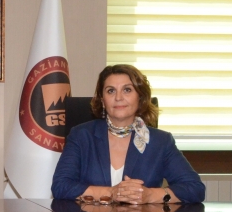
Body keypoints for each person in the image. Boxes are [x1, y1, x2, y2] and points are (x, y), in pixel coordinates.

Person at [51, 64, 205, 204]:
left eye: (127, 90)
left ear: (140, 98)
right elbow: (60, 186)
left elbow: (195, 189)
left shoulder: (160, 142)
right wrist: (111, 193)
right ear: (103, 101)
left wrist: (150, 195)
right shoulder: (81, 136)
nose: (118, 98)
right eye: (111, 91)